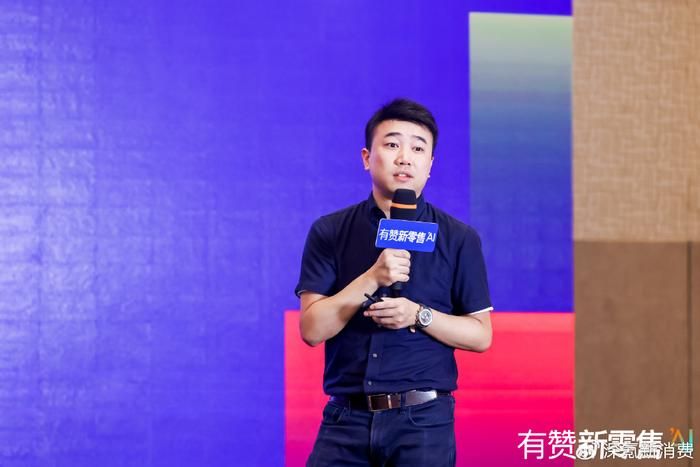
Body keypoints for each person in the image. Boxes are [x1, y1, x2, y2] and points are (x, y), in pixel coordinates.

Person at [295, 98, 493, 467]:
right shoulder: (330, 231)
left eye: (418, 148)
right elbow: (311, 329)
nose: (405, 158)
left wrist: (418, 315)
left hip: (422, 424)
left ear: (430, 165)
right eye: (392, 144)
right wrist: (373, 277)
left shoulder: (459, 238)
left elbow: (481, 336)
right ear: (367, 157)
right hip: (345, 421)